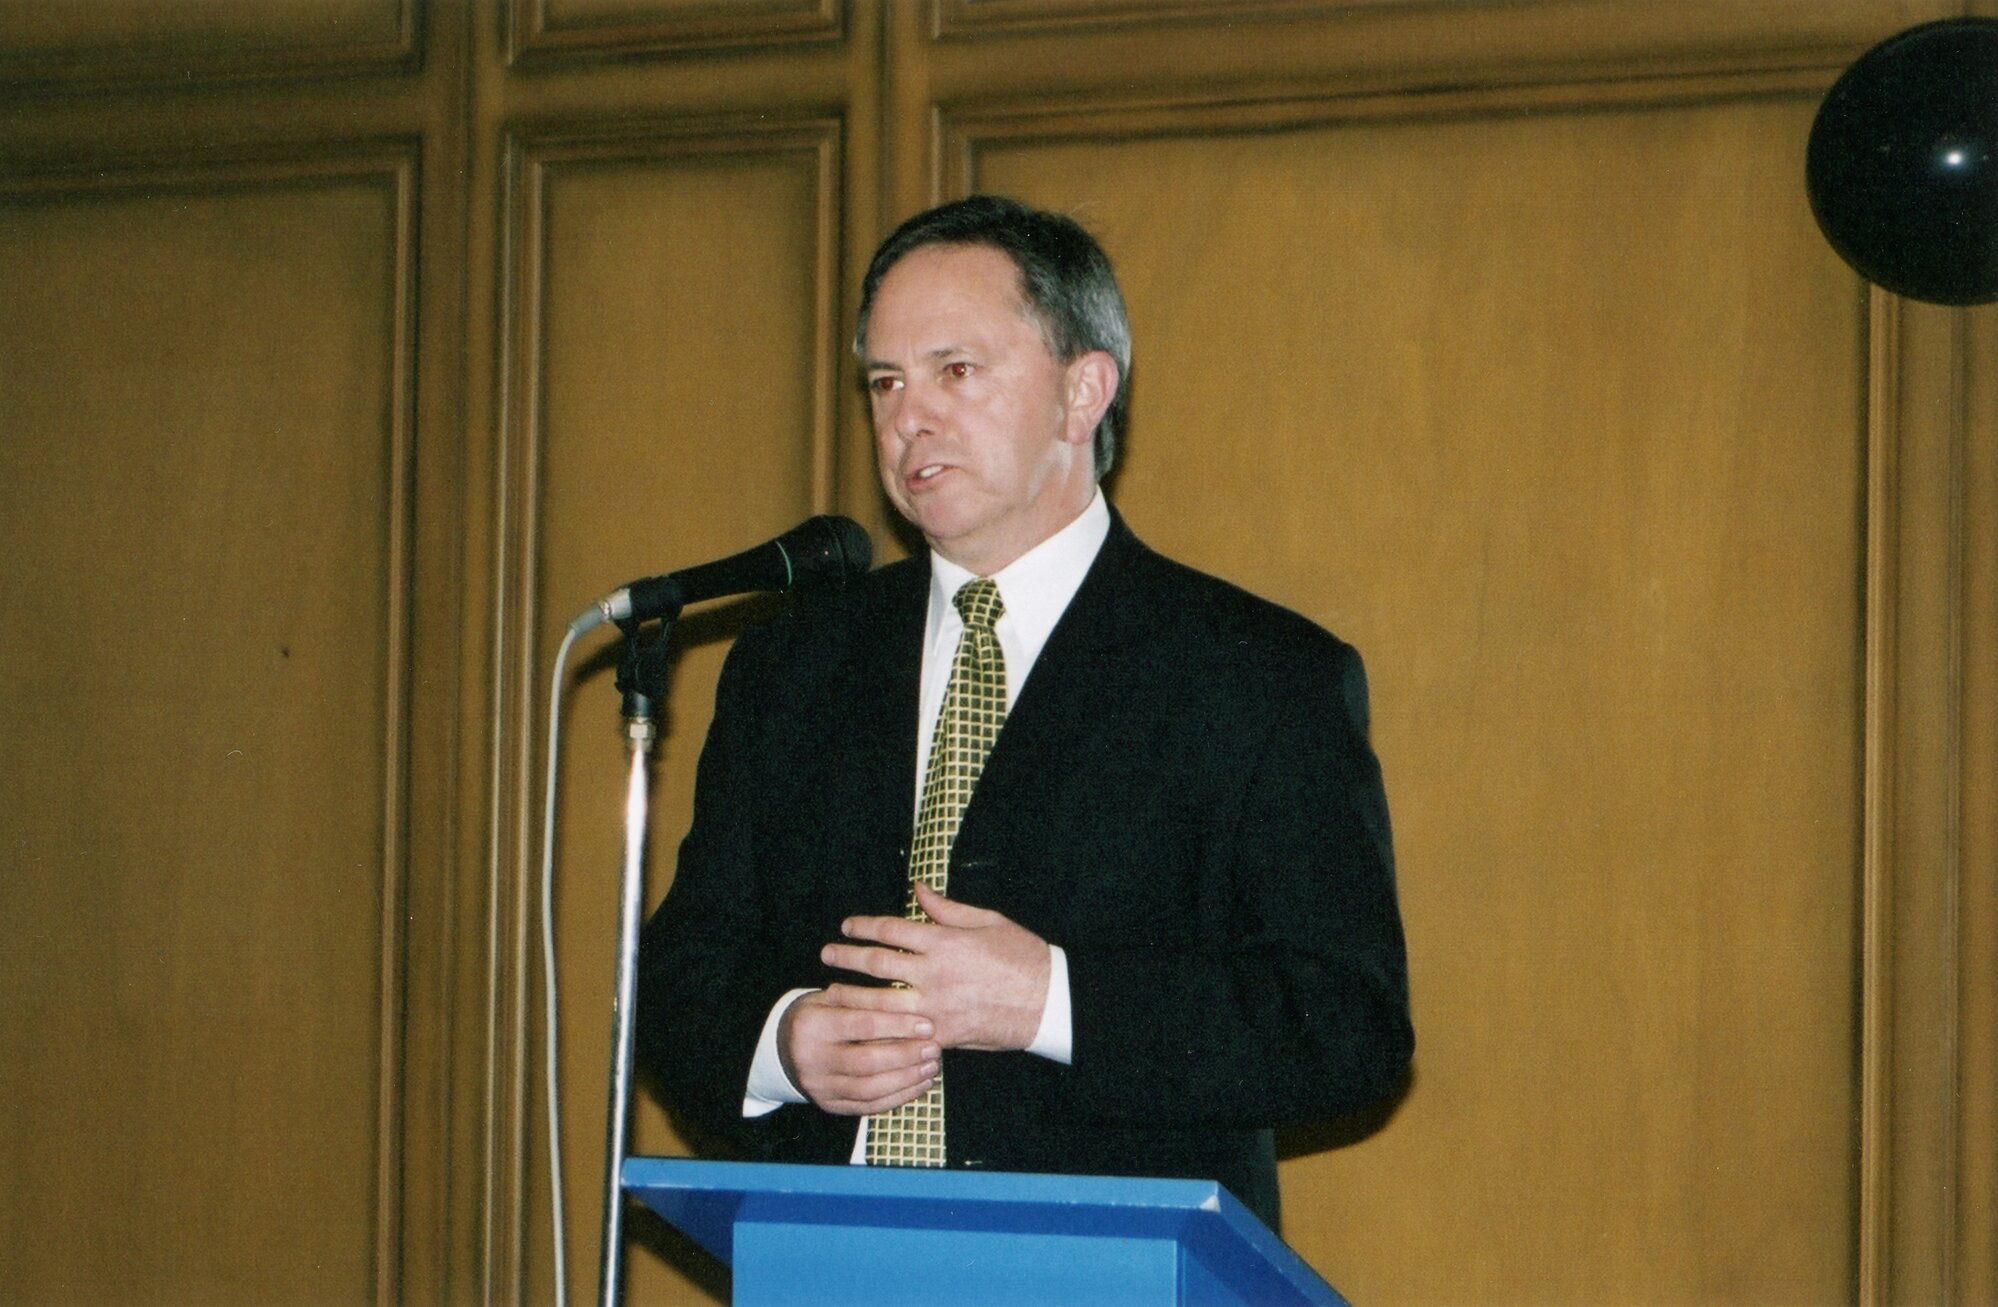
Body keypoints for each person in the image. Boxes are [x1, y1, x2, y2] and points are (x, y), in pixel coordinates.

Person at [635, 194, 1412, 1232]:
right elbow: (687, 972)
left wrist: (1050, 1000)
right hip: (835, 1258)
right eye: (885, 381)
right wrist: (782, 1043)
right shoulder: (791, 667)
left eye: (956, 371)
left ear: (1082, 389)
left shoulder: (1253, 674)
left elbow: (1344, 1021)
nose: (910, 417)